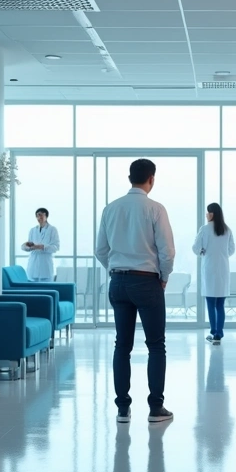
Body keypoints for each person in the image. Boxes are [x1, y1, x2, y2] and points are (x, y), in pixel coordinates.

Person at [95, 158, 175, 424]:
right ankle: (155, 408)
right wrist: (163, 277)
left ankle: (122, 409)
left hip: (118, 282)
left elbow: (101, 250)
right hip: (147, 281)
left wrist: (115, 270)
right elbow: (167, 251)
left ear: (130, 177)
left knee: (122, 345)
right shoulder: (155, 209)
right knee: (156, 345)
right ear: (151, 178)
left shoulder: (111, 208)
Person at [191, 203, 234, 346]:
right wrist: (222, 254)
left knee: (210, 303)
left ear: (212, 214)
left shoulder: (204, 229)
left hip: (209, 268)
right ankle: (218, 334)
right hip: (223, 268)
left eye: (207, 212)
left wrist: (203, 251)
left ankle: (213, 331)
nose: (206, 214)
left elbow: (195, 248)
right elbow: (231, 250)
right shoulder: (227, 230)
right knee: (220, 304)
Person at [22, 208, 59, 282]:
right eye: (38, 216)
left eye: (41, 215)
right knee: (33, 290)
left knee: (46, 289)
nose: (39, 218)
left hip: (45, 265)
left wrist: (42, 247)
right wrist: (27, 246)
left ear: (46, 216)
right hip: (33, 265)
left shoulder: (52, 230)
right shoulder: (33, 230)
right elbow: (26, 247)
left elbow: (56, 247)